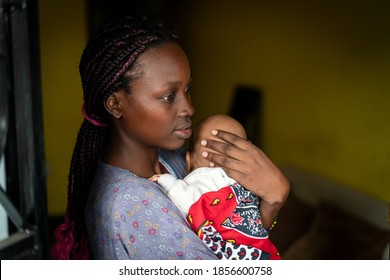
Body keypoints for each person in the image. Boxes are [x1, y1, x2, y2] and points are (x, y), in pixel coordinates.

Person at [51, 16, 290, 260]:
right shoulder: (134, 205)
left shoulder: (174, 159)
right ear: (115, 104)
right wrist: (272, 203)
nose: (189, 108)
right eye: (168, 96)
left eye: (187, 90)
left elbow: (225, 235)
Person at [150, 114, 281, 260]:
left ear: (188, 161)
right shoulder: (247, 187)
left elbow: (188, 201)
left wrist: (166, 181)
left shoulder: (207, 176)